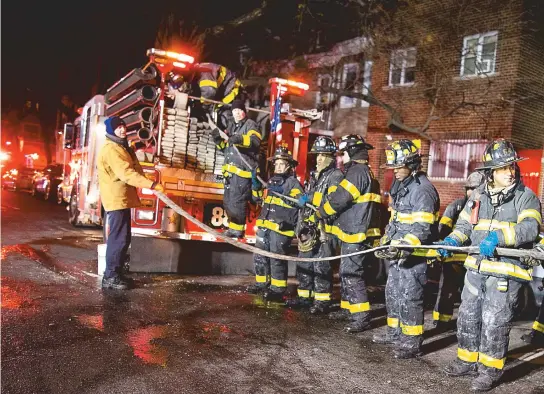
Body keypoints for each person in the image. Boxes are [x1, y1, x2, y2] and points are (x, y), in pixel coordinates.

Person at [437, 139, 541, 391]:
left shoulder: (525, 197)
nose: (511, 171)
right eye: (504, 167)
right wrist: (452, 239)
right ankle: (467, 360)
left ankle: (489, 370)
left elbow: (529, 228)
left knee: (495, 321)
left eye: (512, 166)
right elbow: (464, 226)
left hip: (505, 271)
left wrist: (499, 237)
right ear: (490, 172)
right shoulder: (479, 196)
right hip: (476, 269)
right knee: (468, 317)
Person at [373, 139, 440, 358]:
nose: (395, 171)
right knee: (392, 292)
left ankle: (411, 342)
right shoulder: (403, 187)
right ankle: (394, 332)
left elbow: (422, 227)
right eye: (393, 167)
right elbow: (396, 219)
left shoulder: (423, 190)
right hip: (398, 253)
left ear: (411, 165)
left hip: (414, 255)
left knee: (410, 297)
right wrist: (386, 238)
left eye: (399, 167)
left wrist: (403, 246)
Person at [315, 134, 382, 333]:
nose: (340, 158)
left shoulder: (357, 172)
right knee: (347, 273)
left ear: (351, 153)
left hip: (356, 233)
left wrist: (322, 211)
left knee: (351, 274)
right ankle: (349, 310)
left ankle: (361, 317)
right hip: (355, 231)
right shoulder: (363, 172)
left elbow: (341, 198)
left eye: (343, 153)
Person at [97, 116, 164, 290]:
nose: (122, 130)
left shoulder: (121, 146)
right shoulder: (112, 149)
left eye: (123, 127)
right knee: (118, 239)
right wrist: (151, 184)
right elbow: (125, 173)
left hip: (122, 199)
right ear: (111, 130)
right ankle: (110, 276)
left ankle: (116, 274)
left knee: (123, 238)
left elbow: (134, 168)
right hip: (116, 199)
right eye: (118, 127)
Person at [286, 136, 343, 314]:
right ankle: (304, 296)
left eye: (323, 155)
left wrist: (309, 198)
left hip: (324, 228)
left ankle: (321, 301)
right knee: (304, 263)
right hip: (309, 225)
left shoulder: (335, 176)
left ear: (331, 157)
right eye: (318, 155)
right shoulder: (314, 175)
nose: (319, 158)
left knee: (321, 266)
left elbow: (332, 200)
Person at [248, 146, 304, 301]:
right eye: (276, 164)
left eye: (282, 164)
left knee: (276, 259)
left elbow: (298, 202)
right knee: (259, 256)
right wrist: (256, 184)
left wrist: (280, 191)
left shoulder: (293, 183)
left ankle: (278, 289)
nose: (278, 167)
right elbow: (257, 199)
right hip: (265, 226)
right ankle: (261, 284)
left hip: (281, 229)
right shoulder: (271, 181)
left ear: (289, 166)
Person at [433, 171, 485, 327]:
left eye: (477, 188)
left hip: (473, 259)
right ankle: (441, 321)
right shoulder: (456, 206)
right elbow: (443, 228)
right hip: (453, 258)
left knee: (471, 294)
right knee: (447, 290)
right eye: (471, 188)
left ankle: (467, 324)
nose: (473, 192)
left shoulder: (485, 208)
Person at [211, 100, 262, 238]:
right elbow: (227, 150)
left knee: (237, 202)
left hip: (242, 175)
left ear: (244, 111)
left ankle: (238, 230)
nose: (237, 113)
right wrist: (218, 141)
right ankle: (233, 228)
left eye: (239, 110)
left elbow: (255, 141)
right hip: (231, 176)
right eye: (234, 111)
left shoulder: (250, 125)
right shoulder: (234, 127)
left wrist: (239, 138)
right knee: (228, 202)